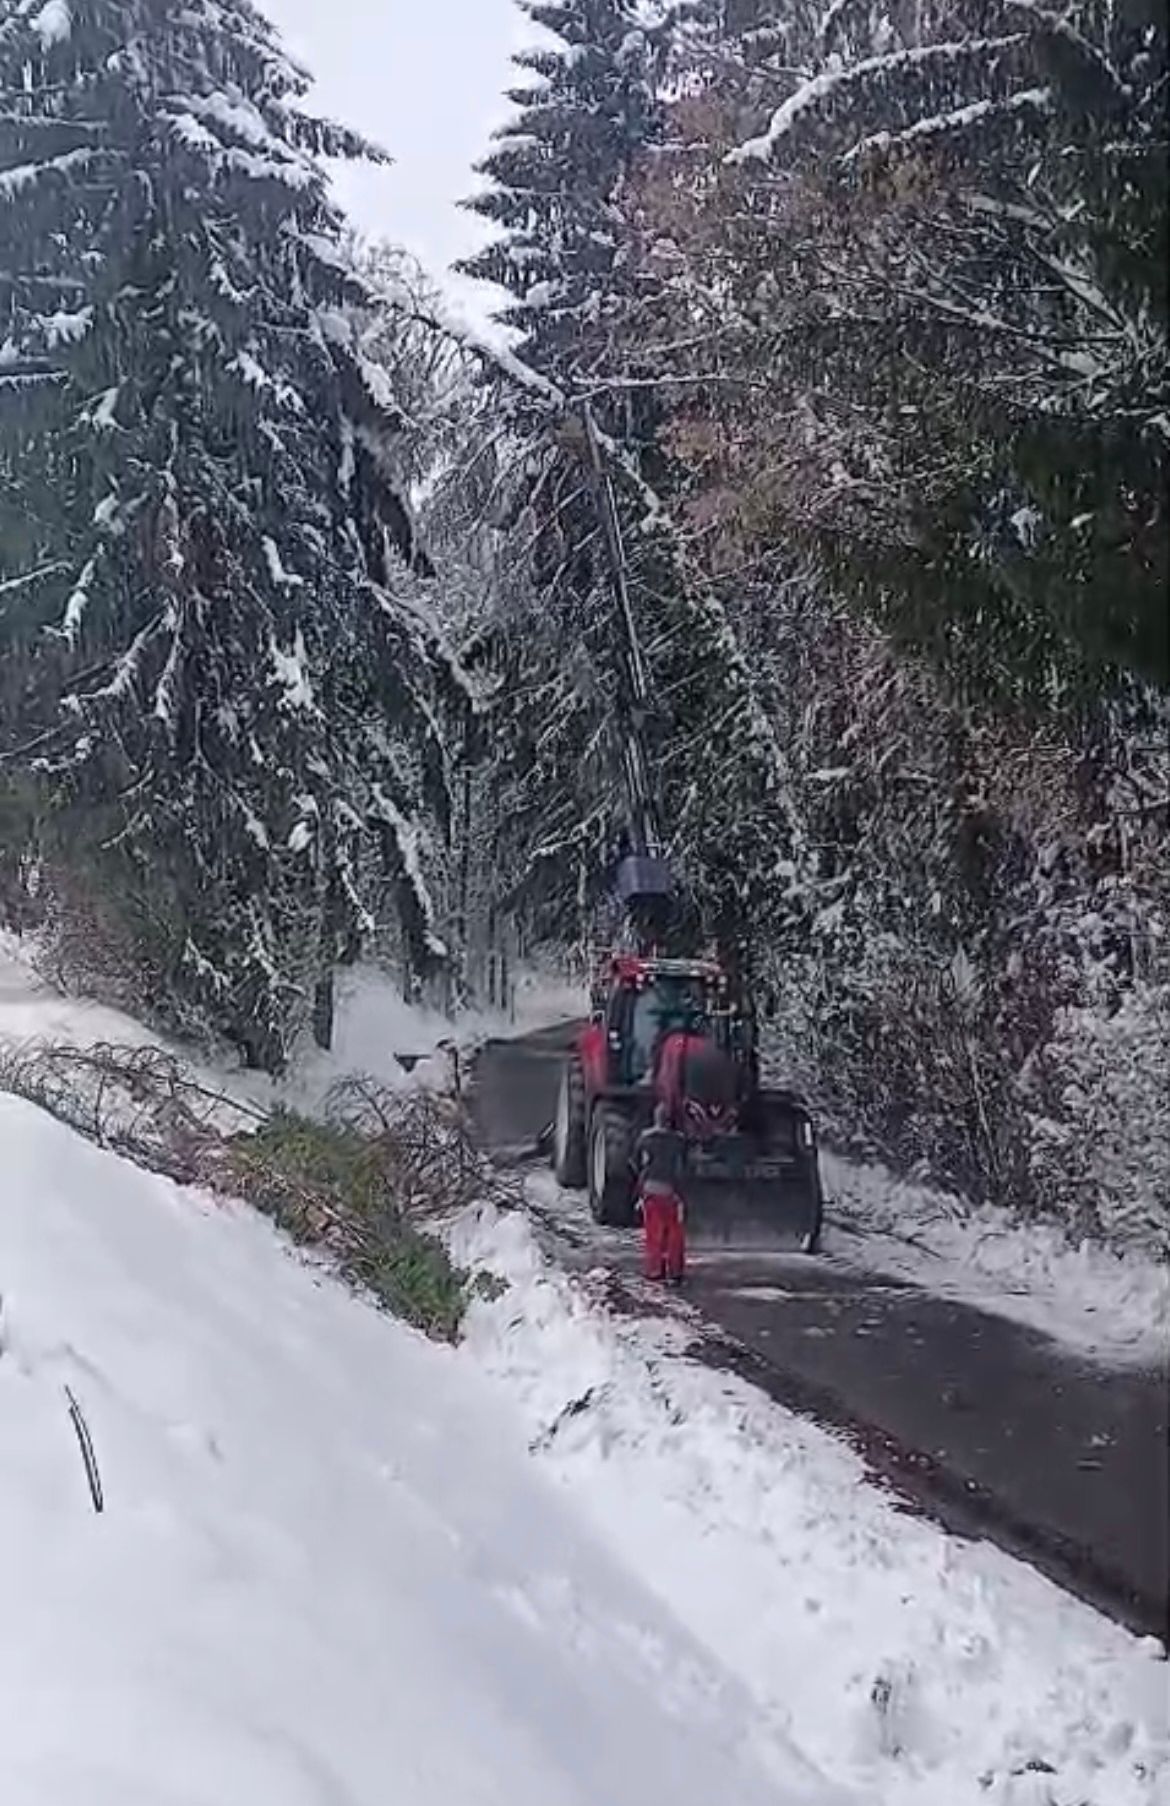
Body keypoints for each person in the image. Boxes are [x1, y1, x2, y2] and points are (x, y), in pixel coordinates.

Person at [635, 1102, 687, 1284]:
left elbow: (636, 1162)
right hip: (670, 1191)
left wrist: (640, 1187)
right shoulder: (678, 1141)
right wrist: (681, 1194)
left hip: (650, 1190)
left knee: (653, 1233)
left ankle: (654, 1270)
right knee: (674, 1233)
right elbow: (681, 1169)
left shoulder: (645, 1139)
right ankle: (675, 1271)